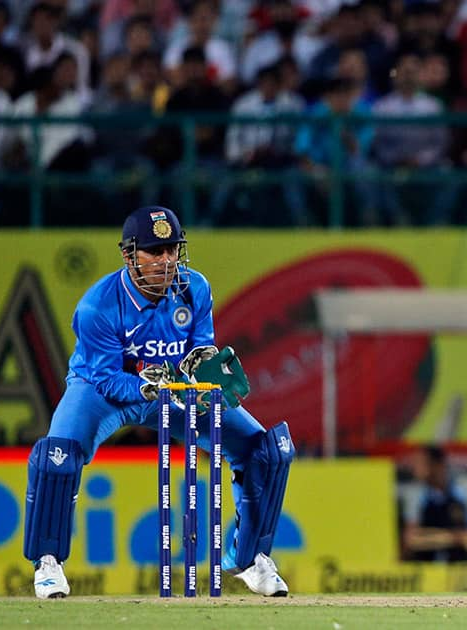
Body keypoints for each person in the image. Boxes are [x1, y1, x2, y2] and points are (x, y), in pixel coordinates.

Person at [24, 206, 295, 599]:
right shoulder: (97, 306)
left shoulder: (194, 288)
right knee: (57, 458)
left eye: (172, 249)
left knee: (265, 451)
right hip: (102, 391)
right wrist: (147, 387)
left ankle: (249, 558)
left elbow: (200, 347)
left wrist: (203, 365)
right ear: (129, 255)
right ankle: (47, 562)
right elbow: (105, 377)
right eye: (155, 251)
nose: (166, 260)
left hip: (174, 386)